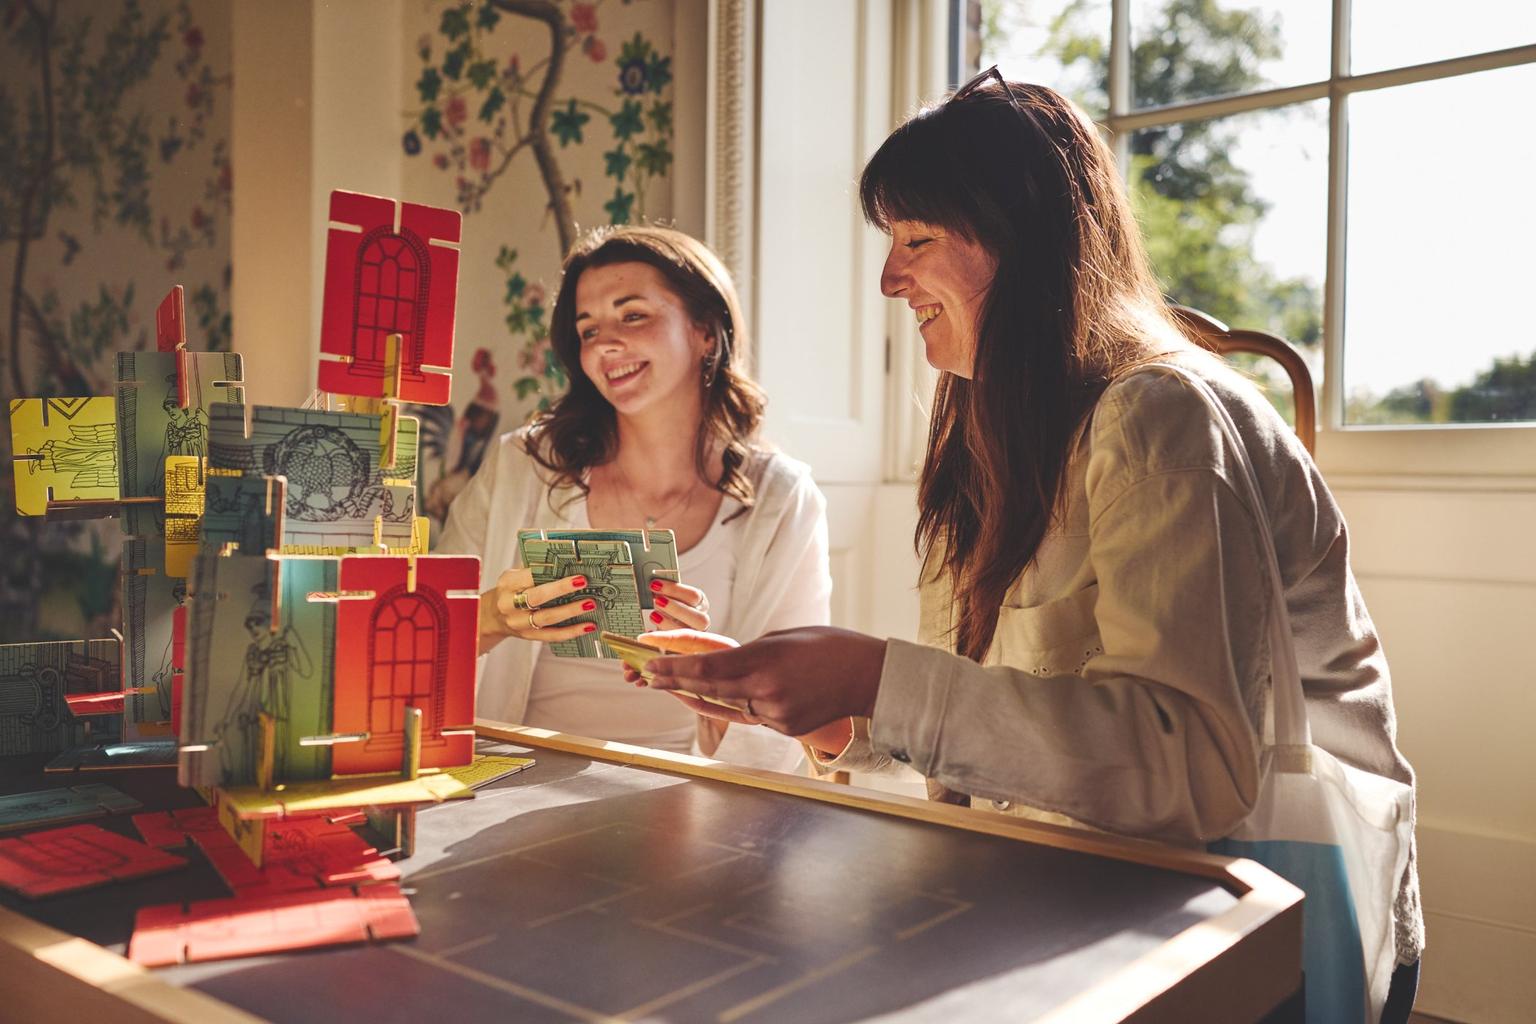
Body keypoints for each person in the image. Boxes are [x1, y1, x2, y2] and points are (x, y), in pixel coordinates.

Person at [636, 72, 1422, 1020]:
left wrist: (876, 677)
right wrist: (838, 724)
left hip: (1255, 931)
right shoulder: (980, 431)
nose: (889, 280)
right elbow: (996, 755)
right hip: (1085, 894)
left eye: (917, 241)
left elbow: (1195, 772)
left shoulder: (1163, 416)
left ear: (1028, 247)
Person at [437, 225, 831, 770]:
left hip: (685, 800)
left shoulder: (783, 500)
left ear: (705, 333)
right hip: (510, 770)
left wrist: (708, 679)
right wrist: (494, 619)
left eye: (633, 315)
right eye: (588, 329)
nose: (605, 345)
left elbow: (788, 730)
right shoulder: (521, 466)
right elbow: (426, 639)